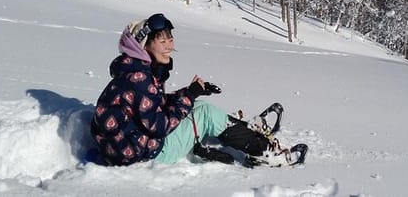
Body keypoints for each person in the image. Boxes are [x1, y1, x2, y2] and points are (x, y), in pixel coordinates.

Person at [90, 13, 273, 166]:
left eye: (170, 39)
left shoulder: (133, 71)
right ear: (143, 45)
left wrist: (190, 93)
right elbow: (159, 126)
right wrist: (190, 96)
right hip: (148, 153)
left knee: (198, 105)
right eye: (162, 42)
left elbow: (152, 105)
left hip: (125, 148)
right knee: (206, 113)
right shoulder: (140, 78)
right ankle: (264, 150)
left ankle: (247, 134)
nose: (170, 46)